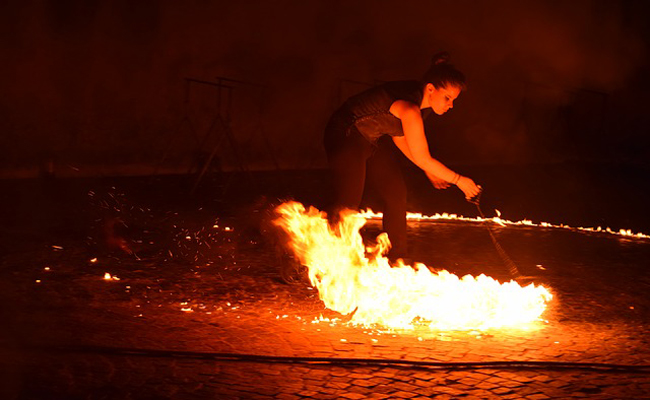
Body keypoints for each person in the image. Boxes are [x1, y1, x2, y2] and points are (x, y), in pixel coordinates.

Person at [323, 52, 481, 261]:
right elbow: (422, 156)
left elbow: (401, 140)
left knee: (396, 194)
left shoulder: (419, 105)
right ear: (431, 89)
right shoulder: (410, 107)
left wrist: (428, 169)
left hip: (371, 140)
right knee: (348, 203)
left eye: (453, 100)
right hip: (346, 133)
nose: (450, 105)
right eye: (447, 98)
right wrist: (460, 181)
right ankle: (325, 260)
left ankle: (397, 259)